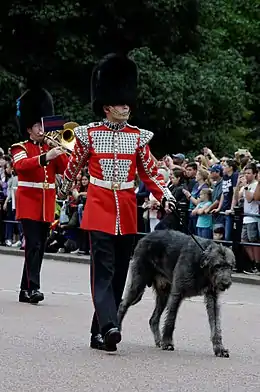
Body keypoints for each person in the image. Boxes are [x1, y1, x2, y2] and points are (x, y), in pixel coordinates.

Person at [58, 53, 175, 352]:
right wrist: (63, 188)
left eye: (127, 101)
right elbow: (73, 167)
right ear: (107, 106)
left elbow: (150, 172)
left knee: (120, 273)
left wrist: (166, 195)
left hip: (126, 209)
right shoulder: (90, 135)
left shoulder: (137, 138)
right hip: (98, 207)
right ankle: (111, 325)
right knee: (104, 271)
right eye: (121, 102)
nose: (127, 106)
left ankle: (99, 332)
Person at [11, 86, 69, 304]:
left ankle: (24, 289)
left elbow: (65, 168)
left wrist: (60, 149)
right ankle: (33, 287)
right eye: (38, 125)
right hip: (28, 203)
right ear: (29, 128)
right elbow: (21, 166)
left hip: (46, 204)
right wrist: (46, 156)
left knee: (39, 247)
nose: (41, 128)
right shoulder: (20, 147)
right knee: (33, 245)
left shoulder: (50, 146)